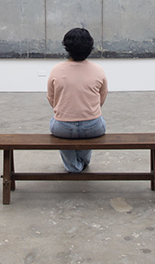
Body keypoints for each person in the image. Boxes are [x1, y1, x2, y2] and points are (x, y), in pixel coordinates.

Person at [46, 27, 108, 173]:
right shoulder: (98, 70)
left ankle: (74, 166)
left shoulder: (56, 70)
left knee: (56, 125)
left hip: (63, 126)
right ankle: (84, 161)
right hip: (93, 126)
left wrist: (64, 110)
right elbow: (101, 97)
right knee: (92, 127)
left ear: (67, 47)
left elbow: (51, 98)